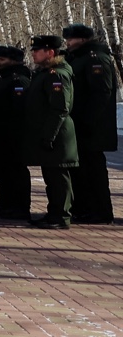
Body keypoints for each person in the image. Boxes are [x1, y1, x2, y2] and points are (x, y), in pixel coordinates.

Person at [64, 24, 117, 225]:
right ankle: (83, 208)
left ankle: (100, 211)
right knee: (80, 171)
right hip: (79, 124)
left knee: (93, 171)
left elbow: (101, 93)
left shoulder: (96, 59)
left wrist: (88, 120)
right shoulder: (78, 58)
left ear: (84, 39)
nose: (68, 42)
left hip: (93, 127)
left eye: (72, 39)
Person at [26, 34, 78, 229]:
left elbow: (60, 108)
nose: (33, 53)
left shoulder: (57, 74)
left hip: (58, 134)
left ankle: (61, 216)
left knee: (59, 178)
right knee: (51, 177)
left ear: (50, 52)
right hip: (49, 132)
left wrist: (49, 135)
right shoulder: (45, 72)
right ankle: (54, 213)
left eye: (37, 50)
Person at [0, 46, 32, 219]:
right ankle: (5, 200)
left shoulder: (18, 79)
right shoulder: (1, 78)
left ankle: (19, 206)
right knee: (2, 171)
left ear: (14, 61)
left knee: (15, 171)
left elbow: (19, 110)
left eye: (2, 60)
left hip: (12, 134)